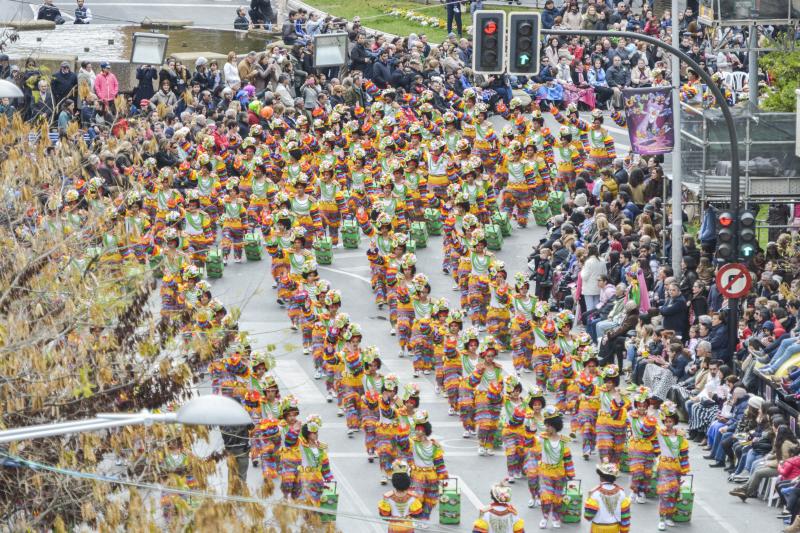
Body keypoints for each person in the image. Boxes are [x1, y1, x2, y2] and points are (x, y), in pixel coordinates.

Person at [584, 461, 632, 533]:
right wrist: (624, 530)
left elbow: (588, 516)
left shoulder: (595, 493)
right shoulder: (622, 493)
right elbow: (625, 516)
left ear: (601, 477)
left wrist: (588, 499)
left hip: (598, 528)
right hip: (614, 528)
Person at [378, 459, 424, 532]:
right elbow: (417, 514)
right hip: (408, 526)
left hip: (394, 527)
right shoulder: (413, 496)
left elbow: (385, 516)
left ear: (394, 482)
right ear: (408, 482)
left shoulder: (387, 497)